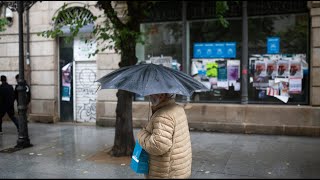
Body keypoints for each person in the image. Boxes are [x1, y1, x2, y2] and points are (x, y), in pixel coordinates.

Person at [137, 93, 192, 179]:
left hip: (165, 172)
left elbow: (158, 146)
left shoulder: (163, 115)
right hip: (178, 168)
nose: (150, 97)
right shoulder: (178, 108)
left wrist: (142, 135)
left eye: (152, 94)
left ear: (162, 95)